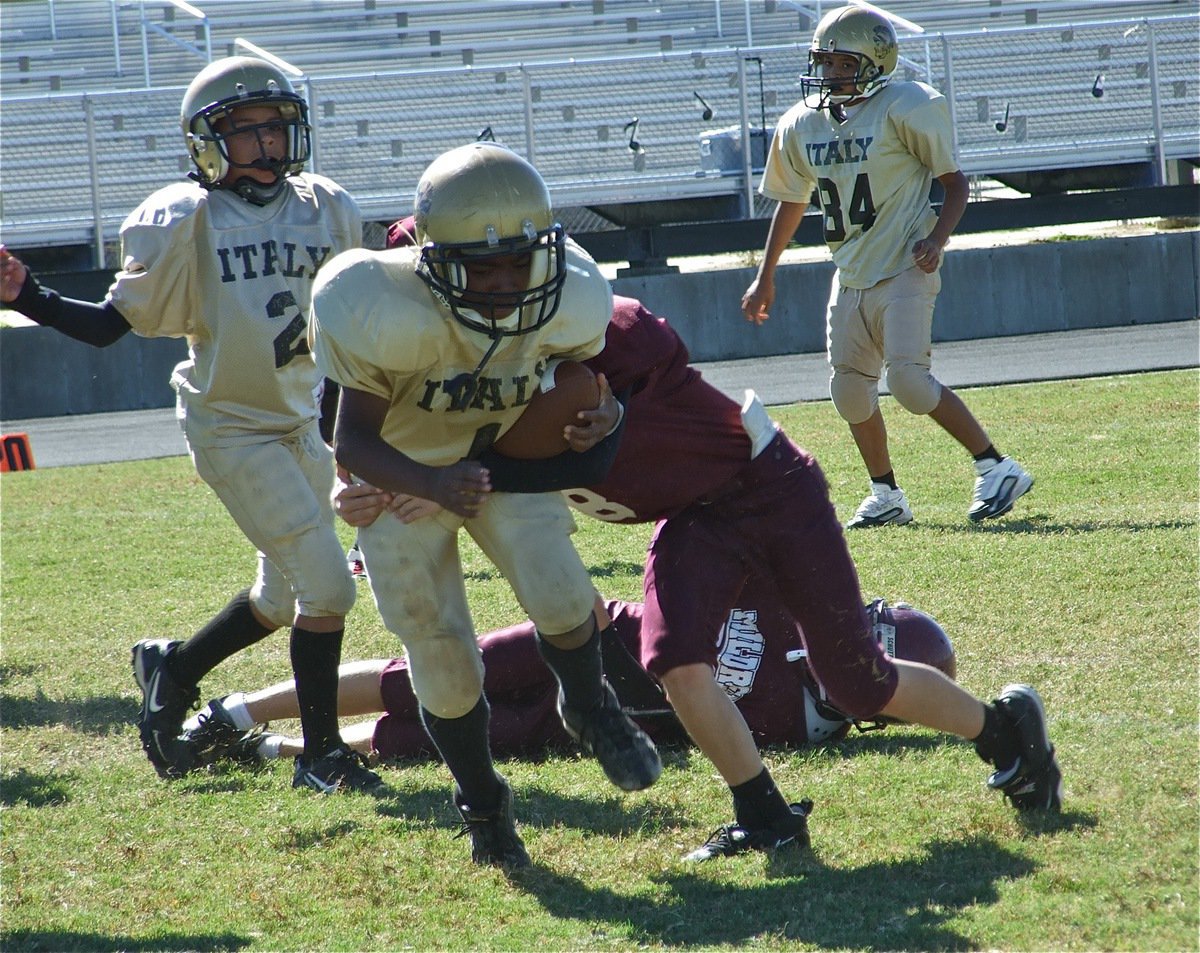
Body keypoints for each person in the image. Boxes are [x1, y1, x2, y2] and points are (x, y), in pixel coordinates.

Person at [330, 274, 1065, 862]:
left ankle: (1004, 731)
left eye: (502, 274)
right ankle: (765, 815)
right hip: (696, 515)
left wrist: (591, 425)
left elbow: (619, 382)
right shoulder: (459, 363)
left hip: (769, 486)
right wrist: (411, 478)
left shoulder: (593, 337)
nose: (486, 295)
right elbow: (460, 447)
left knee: (855, 680)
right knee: (675, 659)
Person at [0, 56, 380, 794]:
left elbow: (349, 333)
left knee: (280, 597)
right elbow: (113, 327)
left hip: (299, 418)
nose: (267, 145)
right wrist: (30, 295)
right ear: (208, 141)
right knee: (329, 589)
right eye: (247, 131)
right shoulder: (187, 217)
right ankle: (322, 758)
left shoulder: (327, 207)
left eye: (276, 127)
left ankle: (171, 669)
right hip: (231, 426)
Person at [307, 142, 662, 870]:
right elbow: (349, 434)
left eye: (517, 262)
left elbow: (581, 397)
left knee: (563, 591)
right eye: (483, 265)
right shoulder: (380, 304)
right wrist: (425, 484)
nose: (505, 282)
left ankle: (588, 702)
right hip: (401, 477)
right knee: (438, 649)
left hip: (499, 463)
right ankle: (482, 802)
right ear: (434, 260)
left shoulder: (570, 296)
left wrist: (608, 415)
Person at [740, 4, 1034, 529]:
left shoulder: (906, 106)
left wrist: (938, 239)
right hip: (849, 272)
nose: (830, 74)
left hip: (904, 263)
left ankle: (997, 466)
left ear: (876, 62)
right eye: (824, 63)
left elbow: (955, 183)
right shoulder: (802, 123)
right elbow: (792, 201)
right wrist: (767, 274)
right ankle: (887, 494)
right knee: (849, 391)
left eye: (842, 64)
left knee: (909, 383)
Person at [180, 586, 956, 766]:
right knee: (427, 677)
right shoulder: (793, 599)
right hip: (597, 635)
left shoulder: (805, 728)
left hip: (590, 724)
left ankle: (276, 752)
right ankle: (241, 709)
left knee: (434, 740)